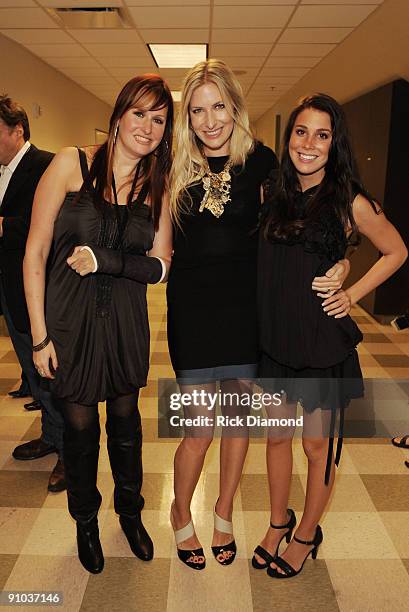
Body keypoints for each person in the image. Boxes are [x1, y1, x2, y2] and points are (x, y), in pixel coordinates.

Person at [167, 61, 349, 570]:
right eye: (197, 110)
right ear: (188, 119)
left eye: (218, 106)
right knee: (199, 430)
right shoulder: (173, 167)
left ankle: (223, 513)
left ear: (235, 106)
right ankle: (181, 511)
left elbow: (313, 223)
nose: (209, 121)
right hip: (194, 318)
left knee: (239, 426)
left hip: (250, 318)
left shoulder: (266, 164)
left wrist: (344, 262)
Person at [253, 93, 408, 579]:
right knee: (275, 440)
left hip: (320, 342)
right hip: (275, 338)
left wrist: (352, 290)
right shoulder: (270, 189)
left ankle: (306, 534)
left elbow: (396, 251)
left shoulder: (350, 199)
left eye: (322, 135)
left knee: (315, 447)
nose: (309, 143)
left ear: (334, 142)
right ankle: (279, 521)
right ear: (290, 135)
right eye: (302, 131)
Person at [23, 74, 173, 573]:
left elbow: (160, 266)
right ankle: (85, 521)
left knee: (127, 429)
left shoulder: (158, 185)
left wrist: (107, 260)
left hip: (127, 324)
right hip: (69, 324)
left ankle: (130, 514)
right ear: (117, 115)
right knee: (81, 432)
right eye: (139, 114)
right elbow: (35, 252)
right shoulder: (72, 163)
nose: (148, 128)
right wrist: (39, 335)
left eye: (159, 119)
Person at [0, 95, 65, 491]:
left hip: (40, 289)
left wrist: (5, 225)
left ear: (17, 129)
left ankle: (71, 453)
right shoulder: (2, 170)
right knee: (32, 370)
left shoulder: (46, 165)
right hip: (10, 289)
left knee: (52, 372)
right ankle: (51, 435)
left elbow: (53, 225)